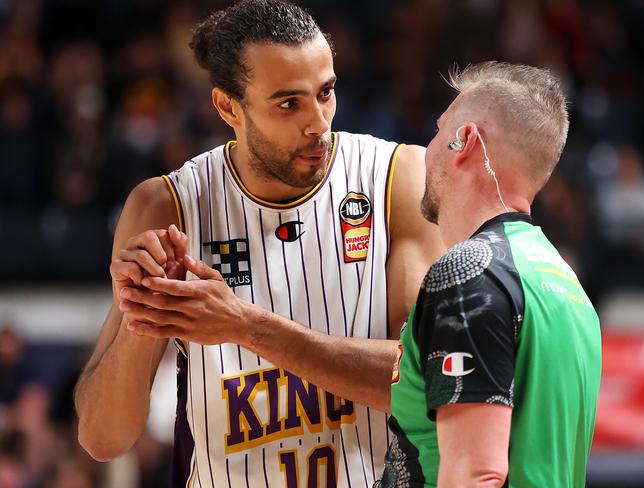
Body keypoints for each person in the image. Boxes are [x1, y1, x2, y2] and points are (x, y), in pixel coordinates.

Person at [73, 1, 443, 487]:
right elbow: (104, 439)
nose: (318, 123)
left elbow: (425, 383)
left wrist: (247, 326)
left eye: (326, 93)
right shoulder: (165, 206)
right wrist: (146, 313)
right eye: (289, 103)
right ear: (228, 107)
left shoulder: (398, 179)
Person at [377, 62, 601, 487]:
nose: (427, 146)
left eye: (440, 130)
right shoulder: (566, 284)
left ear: (465, 142)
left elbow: (477, 474)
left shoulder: (467, 274)